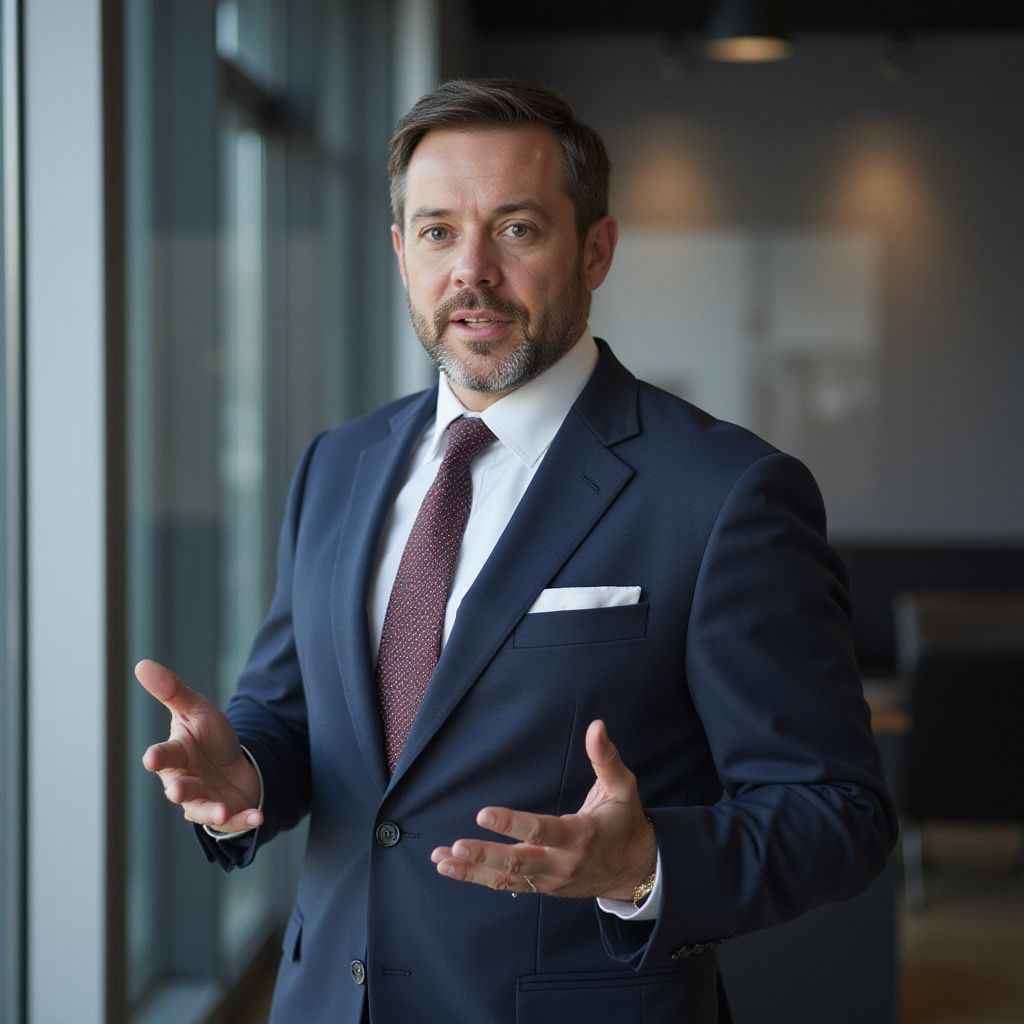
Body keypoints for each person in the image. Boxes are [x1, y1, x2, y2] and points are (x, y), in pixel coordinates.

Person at [138, 78, 897, 1023]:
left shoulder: (725, 493)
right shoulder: (337, 465)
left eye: (518, 230)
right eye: (437, 232)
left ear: (597, 250)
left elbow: (838, 814)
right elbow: (293, 712)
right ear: (400, 253)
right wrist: (246, 770)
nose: (472, 272)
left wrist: (648, 862)